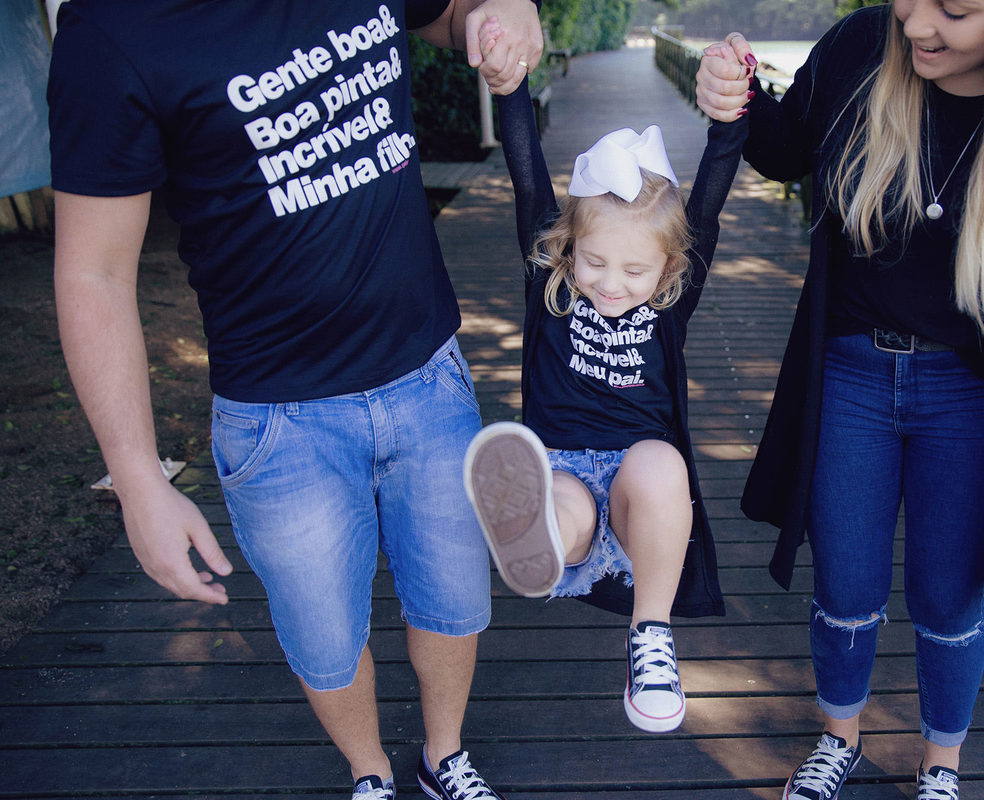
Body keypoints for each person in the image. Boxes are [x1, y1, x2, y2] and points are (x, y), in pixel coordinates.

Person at [47, 2, 544, 799]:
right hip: (281, 427)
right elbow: (93, 273)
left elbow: (455, 16)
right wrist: (137, 476)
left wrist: (508, 11)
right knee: (323, 639)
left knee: (453, 603)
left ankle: (443, 757)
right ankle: (371, 772)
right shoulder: (112, 31)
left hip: (428, 378)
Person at [695, 1, 984, 798]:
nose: (918, 27)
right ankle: (841, 738)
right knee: (846, 583)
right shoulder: (864, 46)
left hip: (976, 391)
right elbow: (785, 151)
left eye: (955, 11)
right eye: (910, 0)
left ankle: (942, 763)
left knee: (948, 596)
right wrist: (739, 94)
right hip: (850, 376)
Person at [460, 28, 740, 733]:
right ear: (567, 248)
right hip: (561, 470)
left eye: (634, 270)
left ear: (670, 272)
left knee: (661, 464)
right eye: (594, 262)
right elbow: (527, 173)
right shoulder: (549, 281)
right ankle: (539, 541)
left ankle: (651, 635)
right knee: (559, 503)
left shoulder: (671, 303)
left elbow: (709, 195)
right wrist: (510, 80)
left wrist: (732, 113)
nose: (610, 284)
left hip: (634, 496)